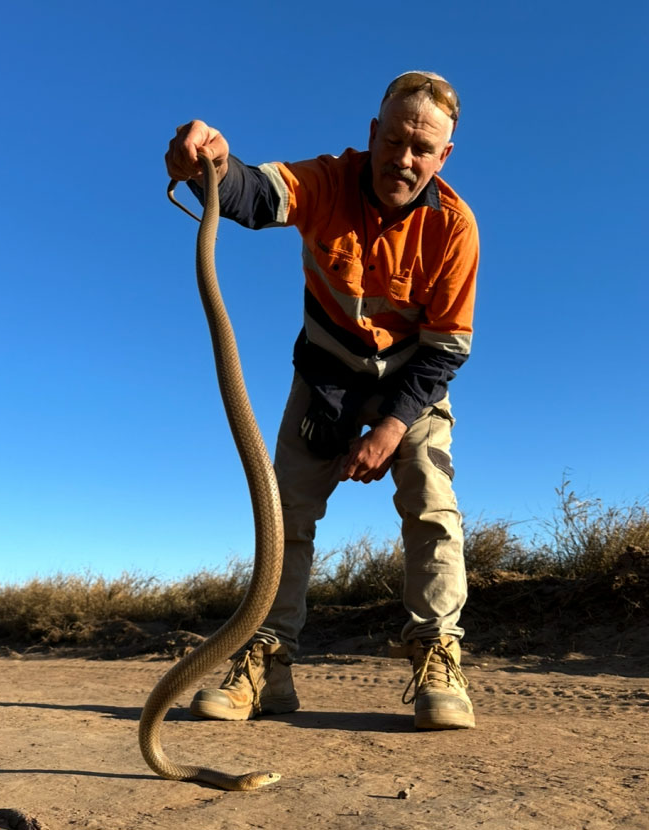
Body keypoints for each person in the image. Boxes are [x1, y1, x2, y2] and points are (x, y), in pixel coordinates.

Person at [165, 71, 479, 730]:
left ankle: (437, 653)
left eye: (422, 149)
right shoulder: (329, 180)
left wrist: (390, 430)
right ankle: (267, 660)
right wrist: (212, 166)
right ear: (373, 133)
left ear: (444, 156)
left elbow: (446, 350)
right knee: (285, 514)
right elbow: (255, 196)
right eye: (393, 141)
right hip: (326, 376)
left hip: (410, 384)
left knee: (431, 500)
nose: (404, 159)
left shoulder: (455, 227)